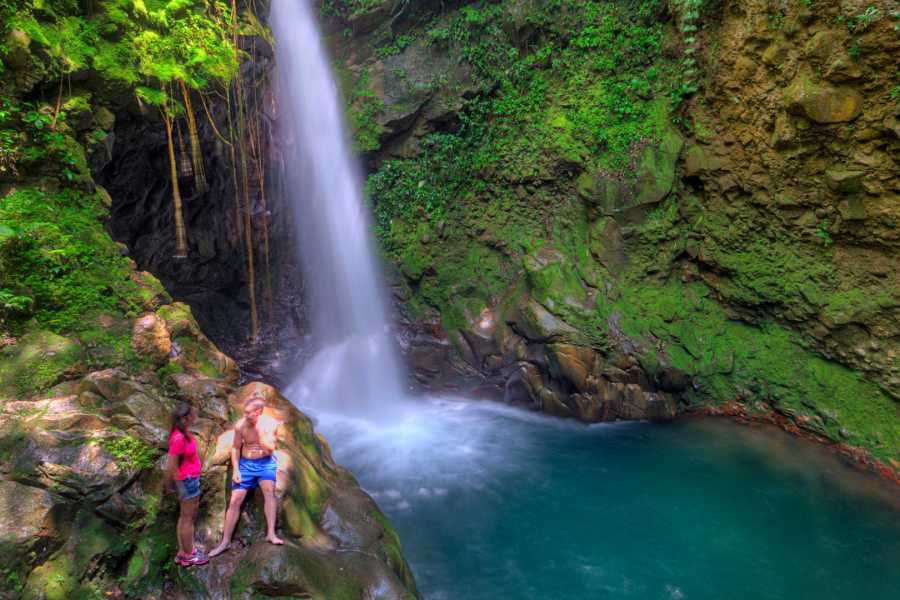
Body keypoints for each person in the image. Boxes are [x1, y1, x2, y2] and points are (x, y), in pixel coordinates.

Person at [209, 395, 284, 557]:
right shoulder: (240, 425)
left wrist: (261, 436)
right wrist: (236, 470)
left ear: (258, 412)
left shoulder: (270, 424)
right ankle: (225, 542)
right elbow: (236, 447)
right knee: (235, 501)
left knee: (269, 493)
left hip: (265, 463)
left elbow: (270, 449)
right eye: (245, 412)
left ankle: (271, 533)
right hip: (246, 465)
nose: (245, 415)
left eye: (249, 412)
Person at [166, 403, 209, 567]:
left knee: (184, 518)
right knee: (188, 519)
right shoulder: (179, 438)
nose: (196, 416)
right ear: (185, 418)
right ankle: (189, 555)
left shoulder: (181, 433)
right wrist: (176, 485)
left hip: (188, 480)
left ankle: (183, 552)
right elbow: (171, 465)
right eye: (193, 414)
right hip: (187, 481)